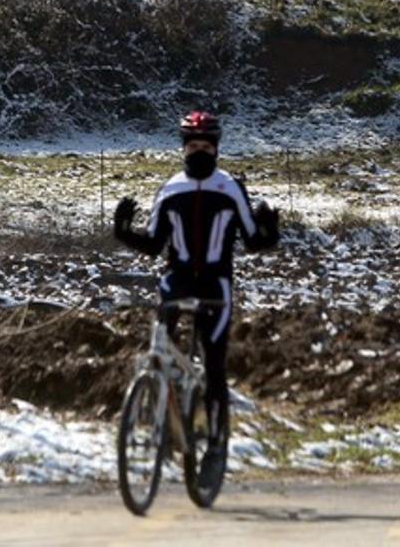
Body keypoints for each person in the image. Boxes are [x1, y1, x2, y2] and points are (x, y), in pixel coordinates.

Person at [113, 110, 279, 472]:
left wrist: (271, 231)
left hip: (217, 286)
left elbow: (253, 241)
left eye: (205, 145)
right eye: (192, 146)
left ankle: (216, 443)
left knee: (215, 363)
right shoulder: (171, 189)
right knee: (160, 348)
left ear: (216, 149)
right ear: (183, 148)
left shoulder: (230, 188)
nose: (198, 151)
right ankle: (162, 408)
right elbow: (154, 244)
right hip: (178, 279)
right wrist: (123, 230)